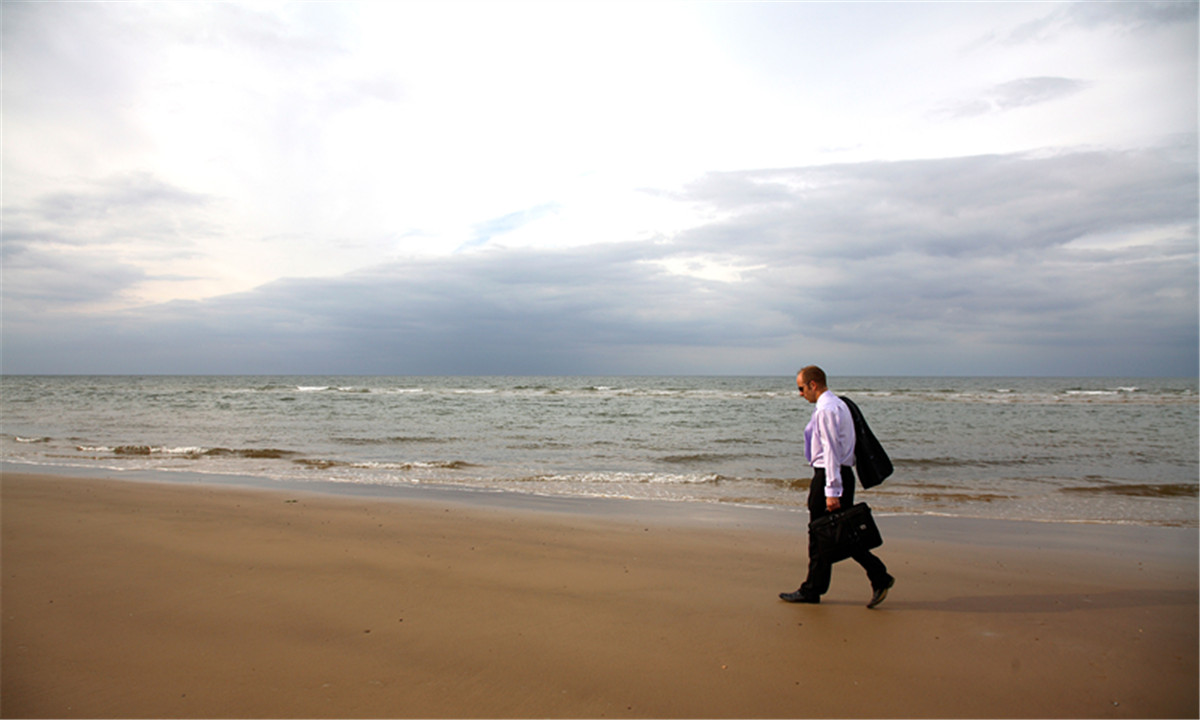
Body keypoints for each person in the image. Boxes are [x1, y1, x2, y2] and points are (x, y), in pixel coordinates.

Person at [780, 366, 894, 608]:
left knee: (824, 533)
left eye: (801, 388)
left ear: (813, 385)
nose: (800, 394)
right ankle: (815, 588)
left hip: (830, 476)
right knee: (833, 533)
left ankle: (876, 575)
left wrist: (831, 491)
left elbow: (831, 451)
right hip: (841, 474)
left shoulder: (827, 409)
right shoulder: (840, 404)